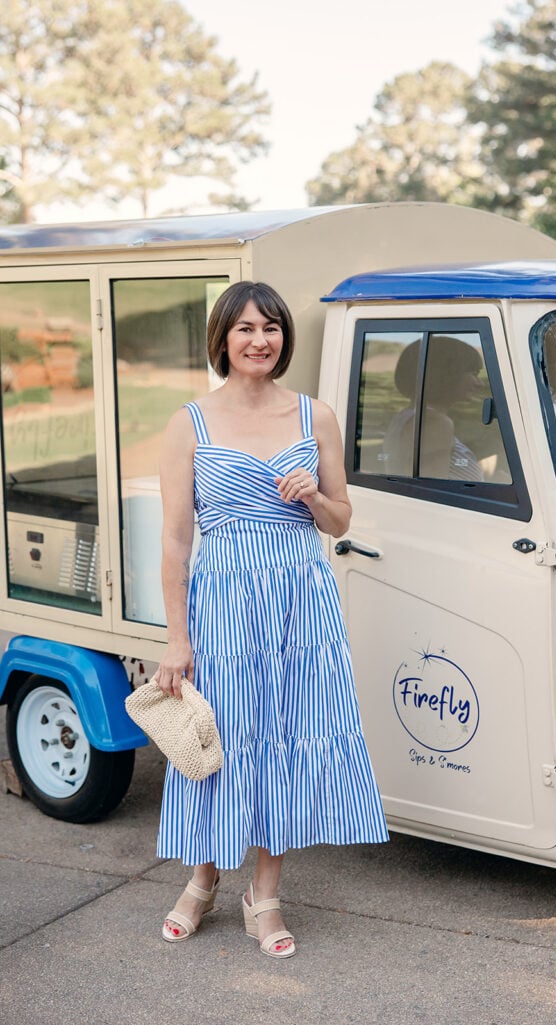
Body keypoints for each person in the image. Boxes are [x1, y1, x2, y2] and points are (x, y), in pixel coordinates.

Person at [154, 281, 388, 959]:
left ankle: (265, 891)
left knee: (285, 733)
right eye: (246, 328)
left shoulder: (315, 416)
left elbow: (343, 520)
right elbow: (174, 538)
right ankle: (202, 879)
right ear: (222, 339)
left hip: (300, 599)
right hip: (222, 598)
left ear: (285, 337)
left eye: (272, 328)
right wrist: (176, 637)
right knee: (218, 738)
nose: (260, 340)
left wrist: (315, 494)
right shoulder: (188, 422)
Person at [383, 336, 484, 481]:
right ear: (449, 373)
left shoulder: (406, 416)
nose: (479, 383)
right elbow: (432, 489)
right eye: (474, 374)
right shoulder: (435, 423)